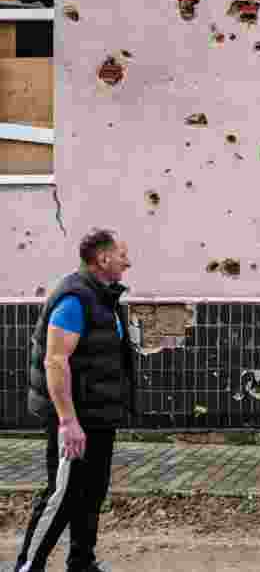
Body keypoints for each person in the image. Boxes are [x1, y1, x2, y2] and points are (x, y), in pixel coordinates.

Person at [15, 229, 135, 572]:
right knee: (62, 496)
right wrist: (68, 422)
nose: (128, 262)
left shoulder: (102, 297)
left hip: (98, 417)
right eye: (122, 254)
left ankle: (81, 563)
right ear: (103, 259)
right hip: (75, 420)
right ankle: (26, 567)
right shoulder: (74, 298)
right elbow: (55, 361)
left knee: (92, 493)